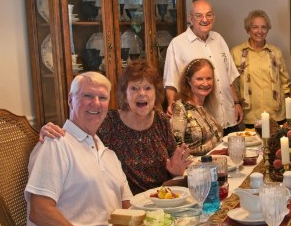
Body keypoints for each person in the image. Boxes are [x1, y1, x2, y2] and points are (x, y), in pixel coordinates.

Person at [26, 72, 133, 226]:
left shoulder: (108, 154)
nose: (96, 103)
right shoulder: (55, 144)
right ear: (70, 99)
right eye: (87, 96)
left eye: (102, 98)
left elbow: (129, 209)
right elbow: (40, 212)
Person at [39, 61, 190, 195]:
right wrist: (47, 130)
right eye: (134, 88)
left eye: (148, 88)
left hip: (162, 200)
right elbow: (76, 135)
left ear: (155, 93)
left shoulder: (161, 121)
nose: (142, 93)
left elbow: (173, 165)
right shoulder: (107, 121)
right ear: (125, 94)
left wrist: (177, 172)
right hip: (122, 204)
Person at [163, 0, 243, 134]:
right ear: (191, 18)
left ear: (214, 17)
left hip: (229, 116)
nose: (205, 19)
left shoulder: (219, 39)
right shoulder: (177, 44)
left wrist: (237, 103)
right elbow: (171, 82)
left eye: (209, 15)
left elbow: (229, 76)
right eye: (199, 15)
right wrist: (172, 106)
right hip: (201, 123)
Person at [230, 9, 290, 126]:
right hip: (251, 116)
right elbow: (231, 83)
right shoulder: (236, 52)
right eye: (255, 27)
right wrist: (236, 104)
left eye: (263, 27)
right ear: (248, 29)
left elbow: (285, 83)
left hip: (276, 114)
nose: (260, 31)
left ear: (268, 29)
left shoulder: (276, 52)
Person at [171, 58, 223, 155]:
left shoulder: (207, 103)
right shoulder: (181, 107)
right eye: (199, 79)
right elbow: (176, 148)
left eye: (208, 78)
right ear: (189, 81)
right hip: (195, 163)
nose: (205, 83)